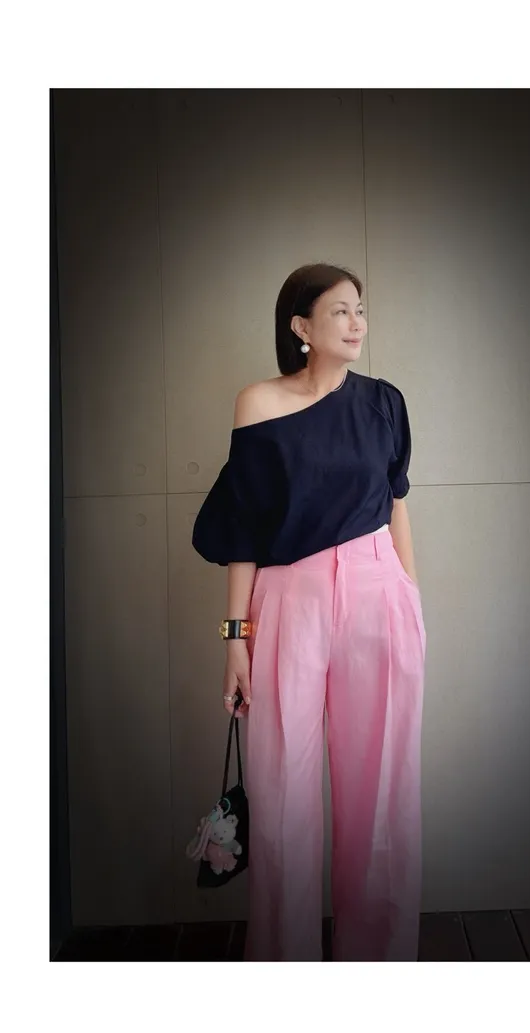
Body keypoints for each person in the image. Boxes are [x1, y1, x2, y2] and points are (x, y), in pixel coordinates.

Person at [192, 262, 426, 962]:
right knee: (282, 803)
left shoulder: (383, 403)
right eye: (340, 311)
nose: (357, 323)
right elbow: (243, 530)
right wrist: (235, 639)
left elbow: (397, 505)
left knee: (382, 798)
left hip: (378, 595)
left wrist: (411, 599)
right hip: (288, 602)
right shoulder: (258, 403)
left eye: (361, 310)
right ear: (301, 326)